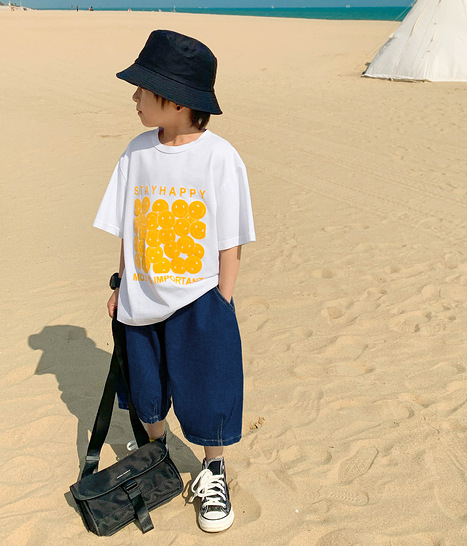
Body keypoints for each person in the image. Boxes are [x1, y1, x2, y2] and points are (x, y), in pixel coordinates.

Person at [93, 30, 255, 533]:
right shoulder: (136, 152)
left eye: (143, 90)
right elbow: (129, 225)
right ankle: (157, 451)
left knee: (208, 387)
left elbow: (231, 239)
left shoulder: (219, 157)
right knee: (146, 387)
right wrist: (122, 283)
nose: (135, 98)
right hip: (141, 295)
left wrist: (221, 301)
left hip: (200, 299)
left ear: (178, 101)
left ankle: (213, 469)